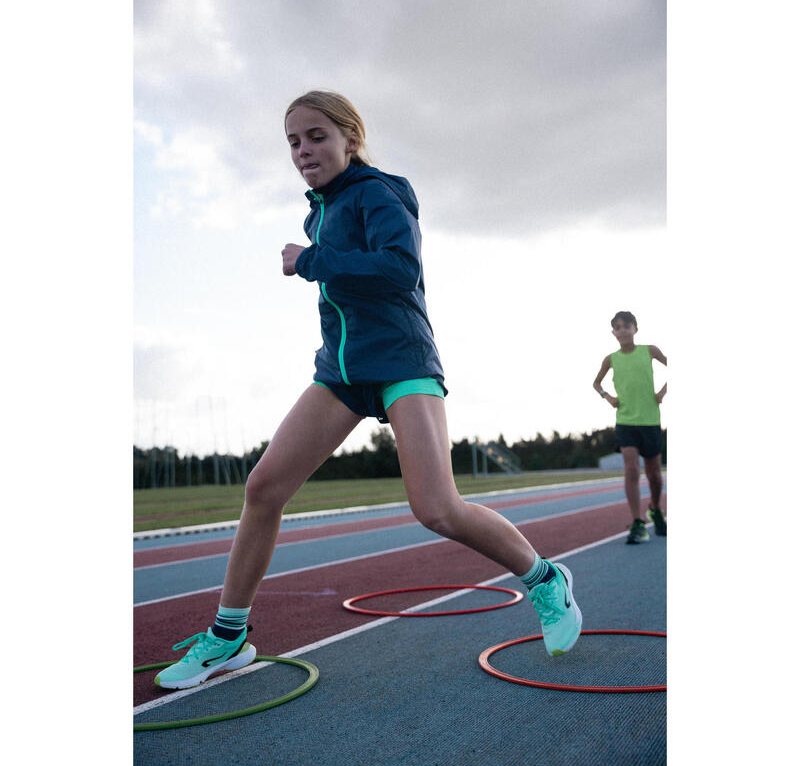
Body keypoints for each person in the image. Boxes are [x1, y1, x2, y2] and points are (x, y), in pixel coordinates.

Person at [153, 91, 582, 690]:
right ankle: (227, 637)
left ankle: (543, 580)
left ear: (350, 139)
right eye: (293, 142)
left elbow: (398, 268)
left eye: (316, 136)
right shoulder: (318, 211)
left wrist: (310, 262)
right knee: (264, 486)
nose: (304, 150)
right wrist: (319, 260)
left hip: (403, 360)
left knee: (437, 509)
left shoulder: (380, 192)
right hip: (341, 371)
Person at [593, 311, 667, 544]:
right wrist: (608, 397)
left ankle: (655, 507)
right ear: (613, 333)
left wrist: (663, 392)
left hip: (650, 421)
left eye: (626, 326)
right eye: (617, 327)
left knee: (654, 475)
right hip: (625, 421)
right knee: (632, 470)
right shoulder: (611, 359)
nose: (622, 330)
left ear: (635, 329)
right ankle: (638, 522)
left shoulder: (650, 351)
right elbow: (596, 383)